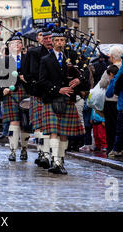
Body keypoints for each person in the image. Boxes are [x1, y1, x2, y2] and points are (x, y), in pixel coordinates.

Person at [38, 27, 88, 175]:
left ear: (65, 41)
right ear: (52, 42)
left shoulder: (73, 56)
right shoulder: (45, 60)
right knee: (54, 131)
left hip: (68, 100)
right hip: (52, 99)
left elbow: (85, 71)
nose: (60, 43)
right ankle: (55, 160)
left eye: (62, 40)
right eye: (57, 40)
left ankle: (60, 159)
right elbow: (42, 81)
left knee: (64, 132)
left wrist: (79, 79)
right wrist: (58, 89)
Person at [0, 32, 30, 162]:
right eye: (13, 44)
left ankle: (24, 149)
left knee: (25, 124)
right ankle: (12, 151)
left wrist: (26, 79)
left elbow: (34, 75)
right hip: (10, 93)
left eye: (18, 43)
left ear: (22, 46)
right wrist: (2, 89)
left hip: (25, 92)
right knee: (14, 122)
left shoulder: (27, 59)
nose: (16, 45)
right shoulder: (4, 60)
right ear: (9, 46)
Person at [25, 28, 53, 168]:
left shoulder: (62, 53)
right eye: (44, 37)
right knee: (39, 124)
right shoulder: (33, 52)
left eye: (49, 37)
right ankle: (43, 154)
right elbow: (28, 73)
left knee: (51, 125)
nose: (47, 40)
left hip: (54, 94)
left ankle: (53, 155)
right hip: (38, 93)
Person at [99, 46, 123, 155]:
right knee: (120, 126)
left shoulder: (110, 69)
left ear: (112, 57)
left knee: (110, 126)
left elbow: (102, 84)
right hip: (121, 100)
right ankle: (119, 147)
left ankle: (110, 147)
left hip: (110, 100)